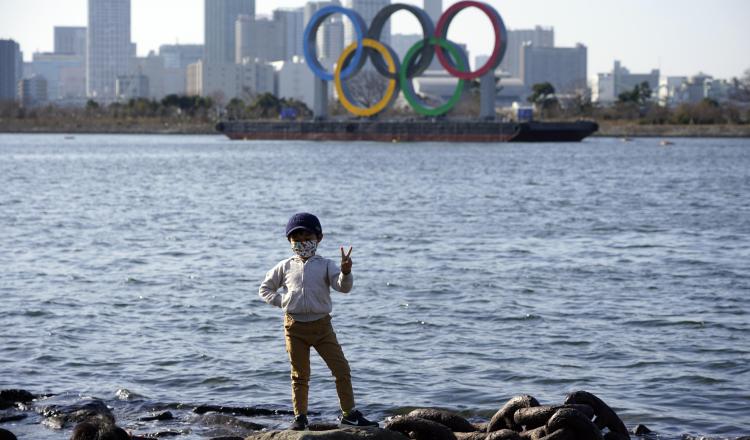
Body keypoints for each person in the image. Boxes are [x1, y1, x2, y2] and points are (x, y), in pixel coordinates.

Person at [259, 212, 379, 431]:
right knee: (300, 375)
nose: (302, 243)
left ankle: (349, 414)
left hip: (323, 327)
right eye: (297, 239)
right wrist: (283, 301)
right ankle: (300, 417)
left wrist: (346, 272)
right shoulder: (285, 266)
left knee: (341, 369)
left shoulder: (326, 265)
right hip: (294, 327)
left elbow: (343, 288)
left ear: (319, 238)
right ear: (290, 242)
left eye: (307, 237)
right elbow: (265, 289)